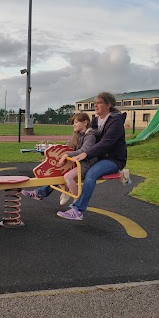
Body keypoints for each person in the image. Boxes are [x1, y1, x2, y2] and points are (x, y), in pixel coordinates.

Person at [57, 92, 127, 221]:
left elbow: (106, 142)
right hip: (97, 156)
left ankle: (78, 210)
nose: (96, 105)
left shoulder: (115, 122)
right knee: (64, 168)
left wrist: (85, 153)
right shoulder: (96, 120)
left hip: (112, 159)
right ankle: (41, 191)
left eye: (99, 102)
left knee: (91, 175)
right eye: (95, 103)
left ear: (108, 105)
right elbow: (88, 136)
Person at [21, 113, 97, 204]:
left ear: (85, 122)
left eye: (76, 122)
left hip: (85, 164)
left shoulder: (90, 136)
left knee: (67, 176)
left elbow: (84, 151)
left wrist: (67, 155)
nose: (74, 124)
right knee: (56, 171)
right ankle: (41, 193)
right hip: (74, 162)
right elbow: (66, 146)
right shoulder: (76, 135)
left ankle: (77, 201)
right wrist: (54, 149)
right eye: (73, 122)